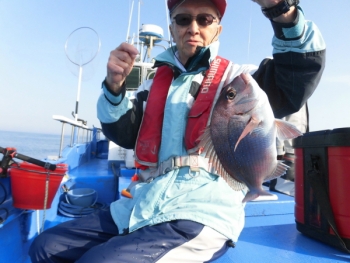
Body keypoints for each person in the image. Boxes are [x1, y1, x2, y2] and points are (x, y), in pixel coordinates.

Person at [29, 0, 325, 262]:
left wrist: (280, 9)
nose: (193, 27)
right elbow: (124, 133)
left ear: (218, 30)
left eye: (205, 19)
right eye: (183, 19)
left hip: (201, 212)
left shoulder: (241, 81)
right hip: (140, 205)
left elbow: (295, 75)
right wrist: (114, 88)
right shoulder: (151, 86)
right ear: (172, 29)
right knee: (44, 247)